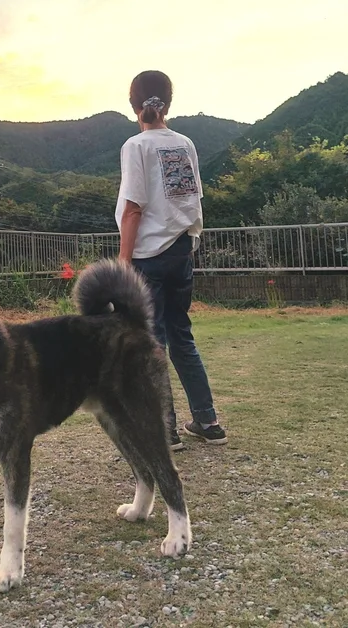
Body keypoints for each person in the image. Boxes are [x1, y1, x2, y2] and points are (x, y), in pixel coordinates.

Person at [116, 70, 227, 450]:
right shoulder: (185, 144)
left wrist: (123, 261)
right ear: (168, 103)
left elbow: (133, 208)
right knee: (182, 337)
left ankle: (166, 430)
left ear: (133, 103)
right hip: (182, 251)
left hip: (148, 256)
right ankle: (208, 421)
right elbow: (189, 200)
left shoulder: (136, 146)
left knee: (152, 342)